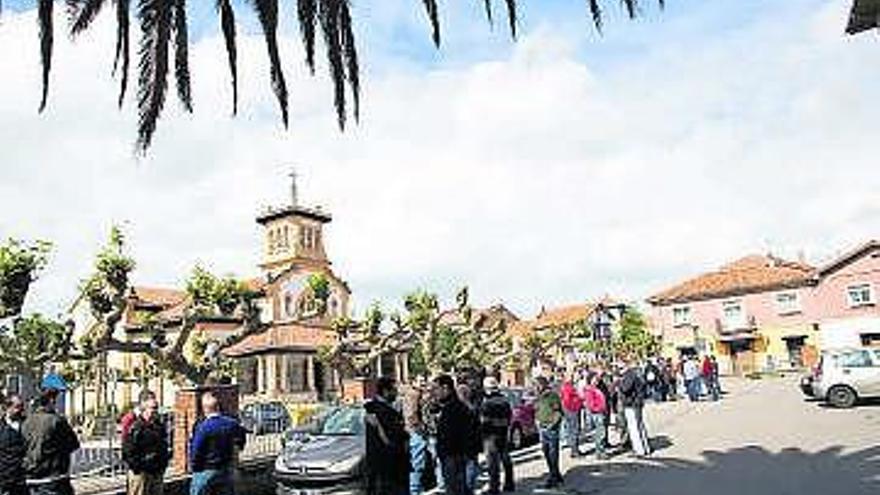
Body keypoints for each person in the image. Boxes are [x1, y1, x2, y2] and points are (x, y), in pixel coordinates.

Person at [22, 388, 80, 495]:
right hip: (53, 478)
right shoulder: (57, 421)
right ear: (52, 401)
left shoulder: (26, 422)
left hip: (31, 477)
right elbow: (74, 444)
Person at [189, 392, 247, 495]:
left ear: (204, 408)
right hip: (226, 470)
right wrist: (239, 448)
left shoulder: (203, 427)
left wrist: (195, 467)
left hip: (205, 471)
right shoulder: (232, 423)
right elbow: (241, 438)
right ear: (218, 406)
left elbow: (195, 451)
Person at [364, 377, 409, 495]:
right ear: (385, 391)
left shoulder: (372, 409)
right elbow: (391, 440)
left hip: (378, 466)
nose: (396, 393)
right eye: (394, 390)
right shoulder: (384, 412)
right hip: (391, 467)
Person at [122, 394, 169, 495]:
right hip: (141, 473)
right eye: (153, 408)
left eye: (157, 408)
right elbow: (127, 451)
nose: (156, 411)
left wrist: (162, 465)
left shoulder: (159, 426)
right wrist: (137, 468)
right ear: (144, 409)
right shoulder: (136, 427)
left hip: (156, 472)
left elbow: (163, 446)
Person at [480, 377, 514, 494]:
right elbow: (509, 417)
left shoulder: (487, 403)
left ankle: (494, 487)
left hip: (490, 436)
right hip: (503, 433)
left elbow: (485, 421)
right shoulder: (504, 400)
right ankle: (509, 483)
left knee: (493, 463)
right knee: (505, 459)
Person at [403, 379, 433, 495]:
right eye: (420, 381)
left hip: (414, 432)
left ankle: (416, 488)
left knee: (419, 462)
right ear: (413, 382)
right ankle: (414, 490)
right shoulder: (413, 394)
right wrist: (421, 430)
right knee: (417, 463)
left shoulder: (413, 394)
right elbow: (412, 416)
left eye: (424, 380)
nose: (423, 383)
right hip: (416, 433)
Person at [533, 376, 564, 488]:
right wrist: (536, 420)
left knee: (552, 454)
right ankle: (556, 474)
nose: (535, 387)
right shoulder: (539, 397)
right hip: (542, 427)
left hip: (551, 428)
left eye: (537, 385)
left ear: (543, 384)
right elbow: (536, 410)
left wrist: (552, 425)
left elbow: (558, 412)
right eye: (534, 385)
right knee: (546, 452)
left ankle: (553, 478)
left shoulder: (552, 396)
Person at [618, 359, 651, 457]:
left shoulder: (630, 375)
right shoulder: (636, 374)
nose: (619, 370)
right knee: (640, 426)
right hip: (636, 403)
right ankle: (645, 448)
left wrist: (619, 383)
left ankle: (639, 450)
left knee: (635, 427)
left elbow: (625, 388)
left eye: (621, 368)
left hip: (632, 404)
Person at [456, 383, 481, 495]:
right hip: (471, 442)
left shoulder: (455, 408)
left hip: (461, 443)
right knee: (471, 467)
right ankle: (469, 490)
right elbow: (478, 426)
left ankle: (464, 489)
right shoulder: (473, 408)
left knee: (462, 469)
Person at [0, 395, 27, 495]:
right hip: (4, 479)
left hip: (23, 479)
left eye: (22, 406)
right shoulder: (1, 427)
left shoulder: (27, 424)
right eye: (18, 406)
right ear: (8, 407)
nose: (21, 410)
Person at [583, 373, 608, 460]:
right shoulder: (590, 390)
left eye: (597, 379)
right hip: (597, 413)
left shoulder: (595, 388)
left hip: (600, 412)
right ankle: (600, 451)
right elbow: (590, 404)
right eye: (594, 379)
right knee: (600, 433)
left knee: (600, 432)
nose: (596, 381)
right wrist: (599, 409)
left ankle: (600, 451)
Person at [559, 374, 582, 458]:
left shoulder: (566, 387)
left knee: (571, 429)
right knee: (574, 429)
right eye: (572, 377)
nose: (575, 378)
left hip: (569, 410)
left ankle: (574, 449)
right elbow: (567, 400)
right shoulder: (568, 387)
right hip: (572, 410)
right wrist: (578, 401)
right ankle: (574, 451)